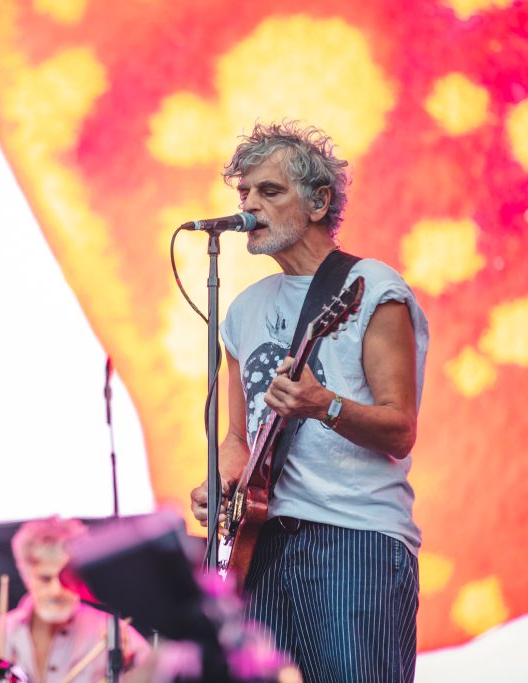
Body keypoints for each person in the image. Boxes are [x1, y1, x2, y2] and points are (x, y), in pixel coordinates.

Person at [190, 121, 428, 683]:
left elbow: (400, 429)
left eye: (269, 192)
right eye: (244, 193)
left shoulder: (371, 286)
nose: (249, 205)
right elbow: (238, 441)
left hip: (356, 538)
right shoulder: (242, 310)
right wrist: (218, 486)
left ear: (319, 202)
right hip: (262, 545)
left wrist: (325, 406)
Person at [0, 516, 150, 683]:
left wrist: (131, 672)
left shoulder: (115, 633)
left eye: (67, 578)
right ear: (27, 576)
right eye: (45, 578)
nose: (57, 590)